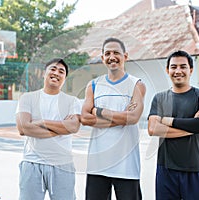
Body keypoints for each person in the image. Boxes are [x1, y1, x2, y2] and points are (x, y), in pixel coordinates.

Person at [81, 37, 146, 200]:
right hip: (98, 165)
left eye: (116, 52)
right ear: (102, 58)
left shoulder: (136, 84)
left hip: (127, 166)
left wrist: (98, 110)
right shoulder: (93, 85)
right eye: (107, 53)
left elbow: (132, 118)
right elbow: (85, 118)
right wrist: (120, 117)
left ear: (125, 56)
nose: (112, 57)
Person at [148, 50, 199, 200]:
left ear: (190, 70)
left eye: (183, 67)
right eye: (173, 67)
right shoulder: (160, 98)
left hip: (195, 169)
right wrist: (193, 127)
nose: (178, 71)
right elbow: (153, 129)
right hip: (166, 170)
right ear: (167, 70)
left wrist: (168, 120)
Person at [15, 58, 81, 200]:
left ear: (65, 78)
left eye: (61, 71)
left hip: (62, 165)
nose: (56, 73)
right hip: (32, 163)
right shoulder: (27, 98)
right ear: (44, 74)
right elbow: (23, 127)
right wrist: (61, 128)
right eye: (53, 69)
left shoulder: (72, 101)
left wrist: (41, 122)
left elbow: (74, 126)